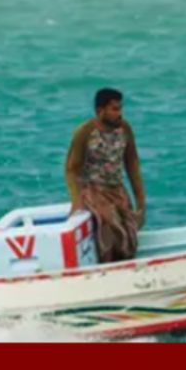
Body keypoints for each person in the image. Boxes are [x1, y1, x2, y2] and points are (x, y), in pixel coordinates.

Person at [64, 88, 147, 262]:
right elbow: (72, 168)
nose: (120, 114)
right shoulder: (85, 132)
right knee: (111, 228)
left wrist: (140, 201)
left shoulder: (124, 129)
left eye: (120, 108)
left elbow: (132, 164)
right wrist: (77, 201)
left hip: (117, 189)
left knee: (129, 234)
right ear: (100, 111)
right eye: (115, 109)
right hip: (94, 191)